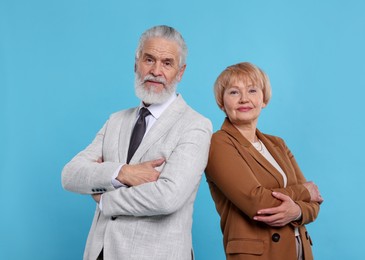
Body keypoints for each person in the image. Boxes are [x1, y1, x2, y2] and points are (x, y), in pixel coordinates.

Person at [61, 25, 212, 260]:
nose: (156, 71)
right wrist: (122, 173)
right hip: (99, 252)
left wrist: (104, 198)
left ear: (180, 72)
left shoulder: (196, 125)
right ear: (136, 64)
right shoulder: (116, 121)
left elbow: (167, 197)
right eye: (149, 59)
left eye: (167, 63)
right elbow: (70, 175)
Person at [205, 62, 323, 260]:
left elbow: (314, 204)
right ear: (221, 102)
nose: (244, 99)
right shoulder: (218, 143)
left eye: (252, 90)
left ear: (264, 99)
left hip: (299, 251)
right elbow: (257, 202)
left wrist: (297, 211)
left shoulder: (278, 144)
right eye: (234, 92)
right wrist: (304, 191)